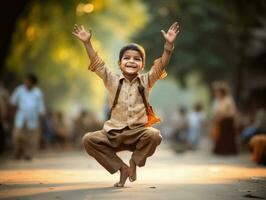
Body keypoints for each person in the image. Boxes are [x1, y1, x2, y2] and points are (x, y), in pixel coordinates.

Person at [72, 22, 180, 187]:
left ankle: (134, 162)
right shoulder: (111, 79)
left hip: (138, 133)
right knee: (88, 139)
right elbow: (98, 63)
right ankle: (121, 168)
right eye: (127, 58)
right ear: (119, 63)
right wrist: (87, 43)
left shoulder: (146, 80)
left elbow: (160, 66)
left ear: (142, 65)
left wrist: (168, 46)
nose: (131, 61)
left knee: (154, 135)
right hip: (113, 132)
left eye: (137, 59)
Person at [10, 74, 45, 160]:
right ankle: (18, 151)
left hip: (33, 119)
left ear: (33, 83)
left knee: (31, 139)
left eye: (29, 81)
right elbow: (13, 102)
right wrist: (11, 114)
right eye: (26, 81)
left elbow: (41, 107)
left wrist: (41, 119)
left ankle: (28, 154)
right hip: (20, 118)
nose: (26, 82)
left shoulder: (38, 93)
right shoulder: (19, 90)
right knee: (17, 136)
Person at [211, 81, 238, 155]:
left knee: (227, 136)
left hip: (227, 120)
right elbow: (215, 111)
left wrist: (222, 115)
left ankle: (228, 151)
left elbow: (231, 111)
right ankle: (221, 151)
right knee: (220, 136)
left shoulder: (228, 99)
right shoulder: (217, 100)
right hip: (220, 121)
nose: (217, 93)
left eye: (218, 92)